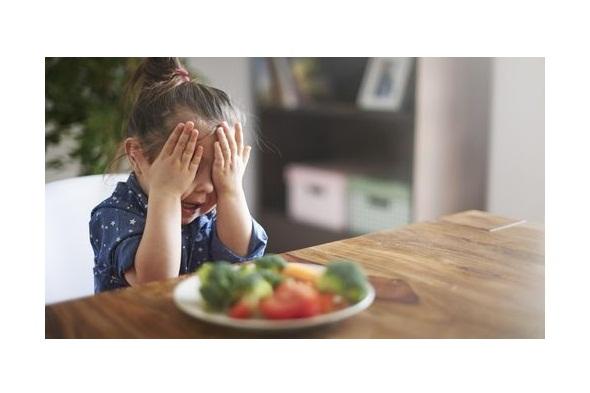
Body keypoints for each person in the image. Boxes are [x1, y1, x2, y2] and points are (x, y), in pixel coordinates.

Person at [89, 57, 268, 293]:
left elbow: (242, 260)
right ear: (137, 155)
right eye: (189, 167)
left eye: (218, 169)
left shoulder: (215, 208)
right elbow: (155, 283)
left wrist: (231, 189)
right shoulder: (114, 214)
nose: (206, 187)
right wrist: (167, 193)